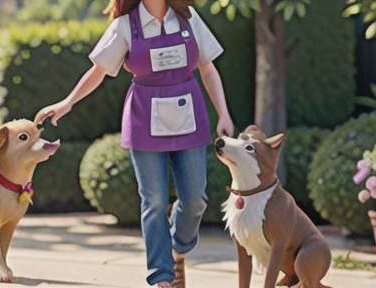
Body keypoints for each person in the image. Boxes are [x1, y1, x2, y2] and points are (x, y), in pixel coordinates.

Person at [34, 0, 234, 287]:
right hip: (144, 119)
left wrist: (224, 113)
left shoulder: (188, 17)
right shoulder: (125, 25)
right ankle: (162, 275)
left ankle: (177, 247)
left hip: (189, 116)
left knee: (195, 199)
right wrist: (68, 102)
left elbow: (209, 69)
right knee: (153, 200)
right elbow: (99, 70)